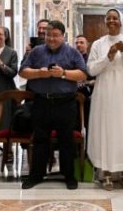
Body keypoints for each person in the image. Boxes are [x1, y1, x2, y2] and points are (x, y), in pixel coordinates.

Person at [19, 20, 86, 190]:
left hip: (65, 103)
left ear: (63, 36)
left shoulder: (72, 52)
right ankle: (36, 175)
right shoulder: (36, 51)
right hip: (41, 102)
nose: (51, 38)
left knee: (66, 141)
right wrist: (38, 73)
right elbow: (23, 71)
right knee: (40, 139)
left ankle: (69, 176)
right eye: (48, 35)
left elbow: (82, 74)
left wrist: (63, 73)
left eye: (55, 35)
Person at [87, 9, 123, 190]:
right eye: (109, 18)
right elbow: (91, 69)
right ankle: (105, 174)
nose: (112, 21)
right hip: (104, 92)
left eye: (115, 18)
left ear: (121, 21)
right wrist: (108, 56)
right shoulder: (98, 44)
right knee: (105, 130)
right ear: (105, 21)